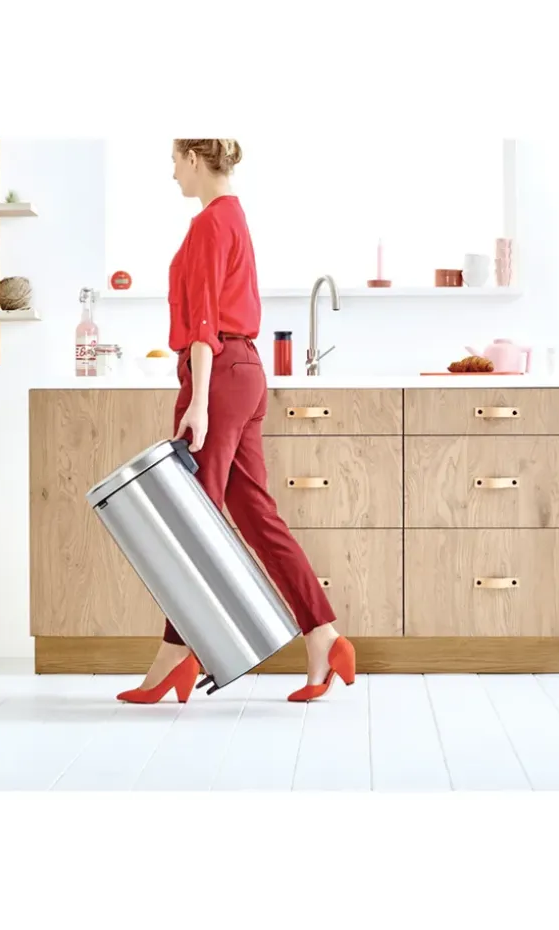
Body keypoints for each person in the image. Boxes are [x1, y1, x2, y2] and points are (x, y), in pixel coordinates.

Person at [116, 139, 355, 706]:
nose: (173, 173)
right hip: (244, 371)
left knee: (190, 519)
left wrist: (198, 402)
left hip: (218, 374)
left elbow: (203, 321)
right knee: (254, 514)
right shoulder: (234, 216)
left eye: (175, 161)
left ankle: (176, 655)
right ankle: (322, 634)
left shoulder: (208, 223)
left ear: (193, 159)